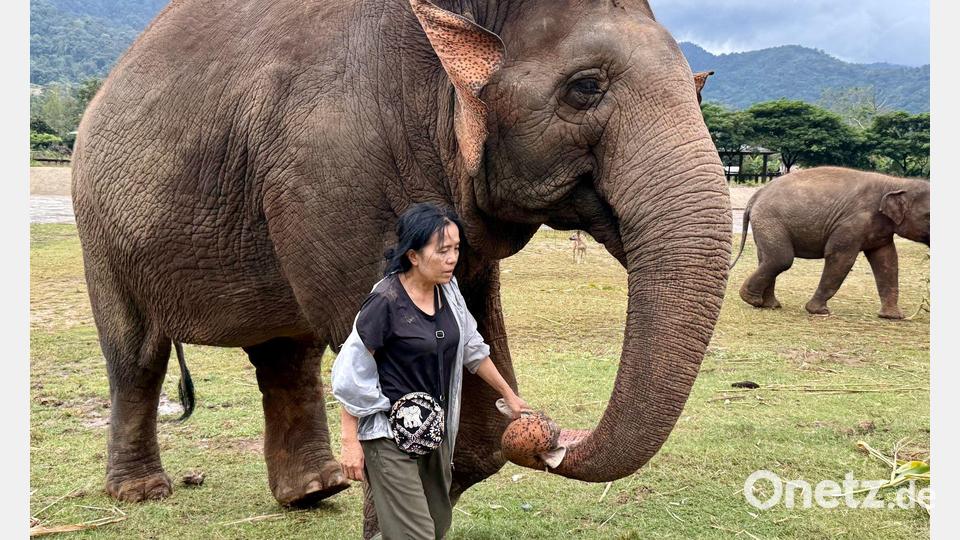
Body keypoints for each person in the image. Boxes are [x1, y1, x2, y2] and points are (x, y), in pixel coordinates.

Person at [331, 202, 529, 540]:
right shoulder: (385, 302)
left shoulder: (448, 293)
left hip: (433, 431)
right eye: (442, 251)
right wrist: (350, 441)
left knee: (435, 524)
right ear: (413, 255)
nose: (452, 258)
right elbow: (351, 374)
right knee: (416, 534)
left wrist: (509, 395)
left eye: (455, 249)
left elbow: (472, 348)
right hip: (388, 435)